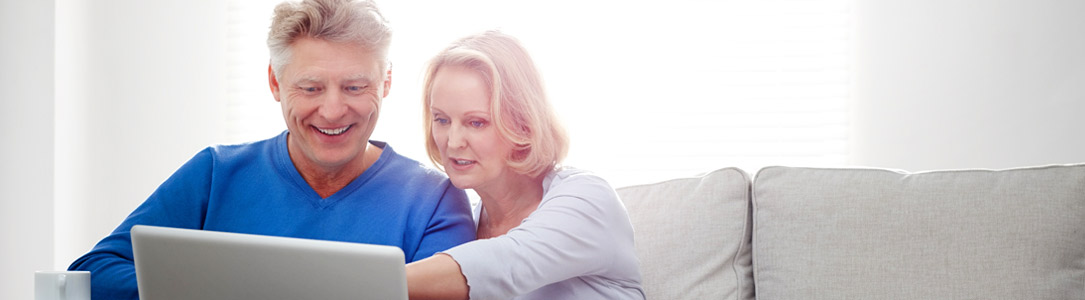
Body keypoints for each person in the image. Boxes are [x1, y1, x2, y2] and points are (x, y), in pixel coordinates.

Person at [67, 0, 475, 299]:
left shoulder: (435, 201)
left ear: (385, 82)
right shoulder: (215, 174)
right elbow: (93, 272)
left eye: (354, 87)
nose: (332, 110)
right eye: (311, 88)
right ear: (275, 82)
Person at [406, 30, 645, 299]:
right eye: (442, 119)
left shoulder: (587, 197)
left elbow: (505, 265)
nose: (453, 142)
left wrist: (368, 282)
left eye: (476, 122)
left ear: (522, 122)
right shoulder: (464, 224)